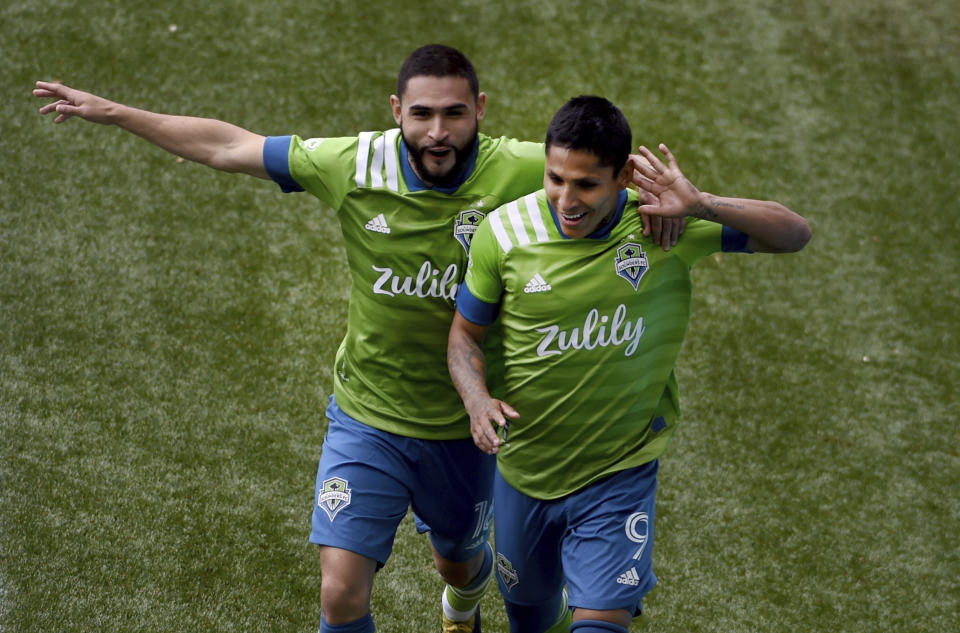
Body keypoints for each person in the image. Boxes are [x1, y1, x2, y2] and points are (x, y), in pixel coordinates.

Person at [34, 47, 680, 633]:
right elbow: (229, 146)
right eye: (421, 113)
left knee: (458, 562)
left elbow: (602, 188)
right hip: (368, 414)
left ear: (479, 109)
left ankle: (461, 604)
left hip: (469, 427)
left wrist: (684, 208)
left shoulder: (527, 170)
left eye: (454, 113)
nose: (437, 131)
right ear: (397, 110)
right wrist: (116, 112)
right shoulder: (356, 162)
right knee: (340, 591)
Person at [447, 95, 811, 633]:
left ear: (623, 177)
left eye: (587, 185)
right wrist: (476, 399)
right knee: (530, 619)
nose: (565, 200)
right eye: (554, 178)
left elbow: (794, 234)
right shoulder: (503, 235)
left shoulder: (663, 225)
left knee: (599, 624)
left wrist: (702, 203)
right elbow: (464, 336)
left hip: (618, 469)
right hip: (526, 470)